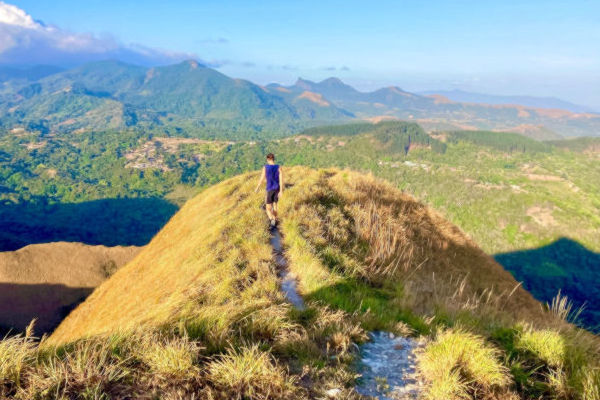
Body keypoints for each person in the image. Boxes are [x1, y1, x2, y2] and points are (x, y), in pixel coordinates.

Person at [254, 153, 283, 227]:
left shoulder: (265, 167)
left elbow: (262, 178)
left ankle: (272, 220)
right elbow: (281, 180)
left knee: (267, 208)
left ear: (267, 159)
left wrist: (257, 187)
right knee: (275, 206)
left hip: (269, 189)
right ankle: (275, 219)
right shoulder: (279, 167)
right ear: (274, 159)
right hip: (277, 189)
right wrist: (281, 191)